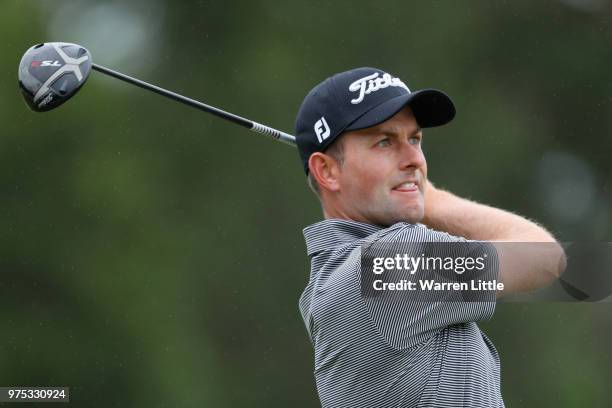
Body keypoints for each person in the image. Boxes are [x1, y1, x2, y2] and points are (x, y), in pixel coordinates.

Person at [294, 67, 565, 408]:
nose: (414, 161)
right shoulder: (381, 267)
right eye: (384, 141)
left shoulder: (346, 274)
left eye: (415, 139)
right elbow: (542, 258)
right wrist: (434, 201)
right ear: (327, 171)